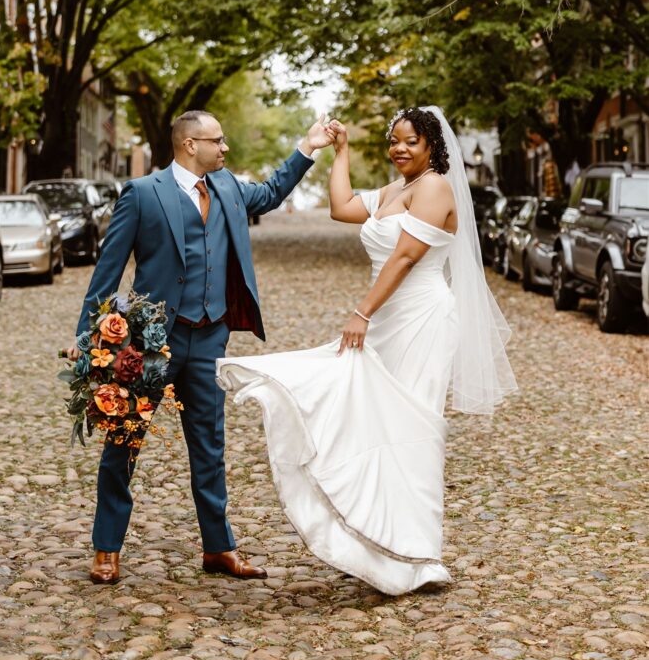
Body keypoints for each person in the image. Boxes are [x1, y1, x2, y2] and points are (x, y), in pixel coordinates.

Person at [218, 106, 518, 595]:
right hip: (386, 318)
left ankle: (418, 556)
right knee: (370, 417)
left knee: (413, 426)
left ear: (433, 146)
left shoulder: (435, 186)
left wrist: (362, 313)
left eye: (410, 142)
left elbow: (404, 256)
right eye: (393, 140)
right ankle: (378, 541)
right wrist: (342, 152)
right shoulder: (395, 190)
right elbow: (341, 208)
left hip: (419, 318)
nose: (400, 148)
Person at [65, 110, 335, 585]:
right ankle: (106, 548)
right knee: (124, 441)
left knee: (209, 446)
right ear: (191, 145)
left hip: (211, 336)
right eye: (218, 140)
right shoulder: (144, 194)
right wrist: (87, 337)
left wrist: (308, 146)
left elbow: (271, 193)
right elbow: (107, 270)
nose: (225, 148)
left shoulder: (228, 187)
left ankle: (218, 547)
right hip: (150, 344)